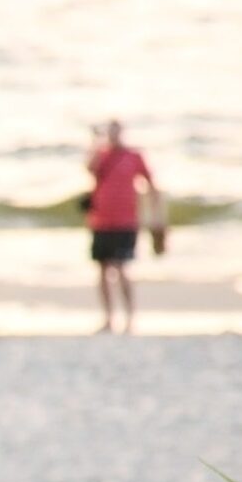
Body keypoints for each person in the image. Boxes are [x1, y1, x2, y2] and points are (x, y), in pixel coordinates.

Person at [84, 119, 162, 334]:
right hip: (100, 220)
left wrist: (155, 216)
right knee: (102, 269)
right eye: (110, 132)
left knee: (121, 267)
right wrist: (94, 142)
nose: (113, 135)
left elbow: (152, 184)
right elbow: (89, 169)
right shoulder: (101, 155)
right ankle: (108, 318)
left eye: (116, 131)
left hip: (126, 221)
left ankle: (129, 317)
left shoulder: (134, 156)